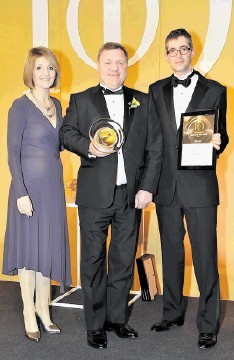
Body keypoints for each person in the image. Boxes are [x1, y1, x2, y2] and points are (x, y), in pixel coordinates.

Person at [59, 42, 161, 349]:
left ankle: (117, 319)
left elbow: (155, 147)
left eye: (120, 62)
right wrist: (87, 146)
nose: (114, 67)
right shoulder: (80, 99)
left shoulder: (143, 101)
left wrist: (147, 187)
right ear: (98, 65)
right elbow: (65, 133)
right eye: (108, 62)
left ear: (127, 66)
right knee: (92, 261)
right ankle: (95, 325)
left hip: (131, 195)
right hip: (93, 195)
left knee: (122, 260)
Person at [148, 29, 228, 349]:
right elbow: (153, 141)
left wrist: (219, 143)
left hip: (199, 185)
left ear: (192, 51)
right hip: (166, 186)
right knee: (172, 252)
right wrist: (146, 185)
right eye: (171, 50)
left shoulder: (215, 89)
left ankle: (207, 324)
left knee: (205, 256)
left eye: (183, 49)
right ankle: (172, 312)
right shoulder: (155, 90)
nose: (177, 55)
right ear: (166, 55)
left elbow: (220, 134)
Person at [3, 47, 71, 342]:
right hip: (27, 188)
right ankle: (28, 312)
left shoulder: (58, 104)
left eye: (51, 68)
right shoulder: (19, 106)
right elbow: (12, 153)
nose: (46, 73)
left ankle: (44, 309)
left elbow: (61, 144)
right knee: (30, 253)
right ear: (31, 72)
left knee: (48, 248)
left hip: (52, 188)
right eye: (40, 68)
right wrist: (20, 192)